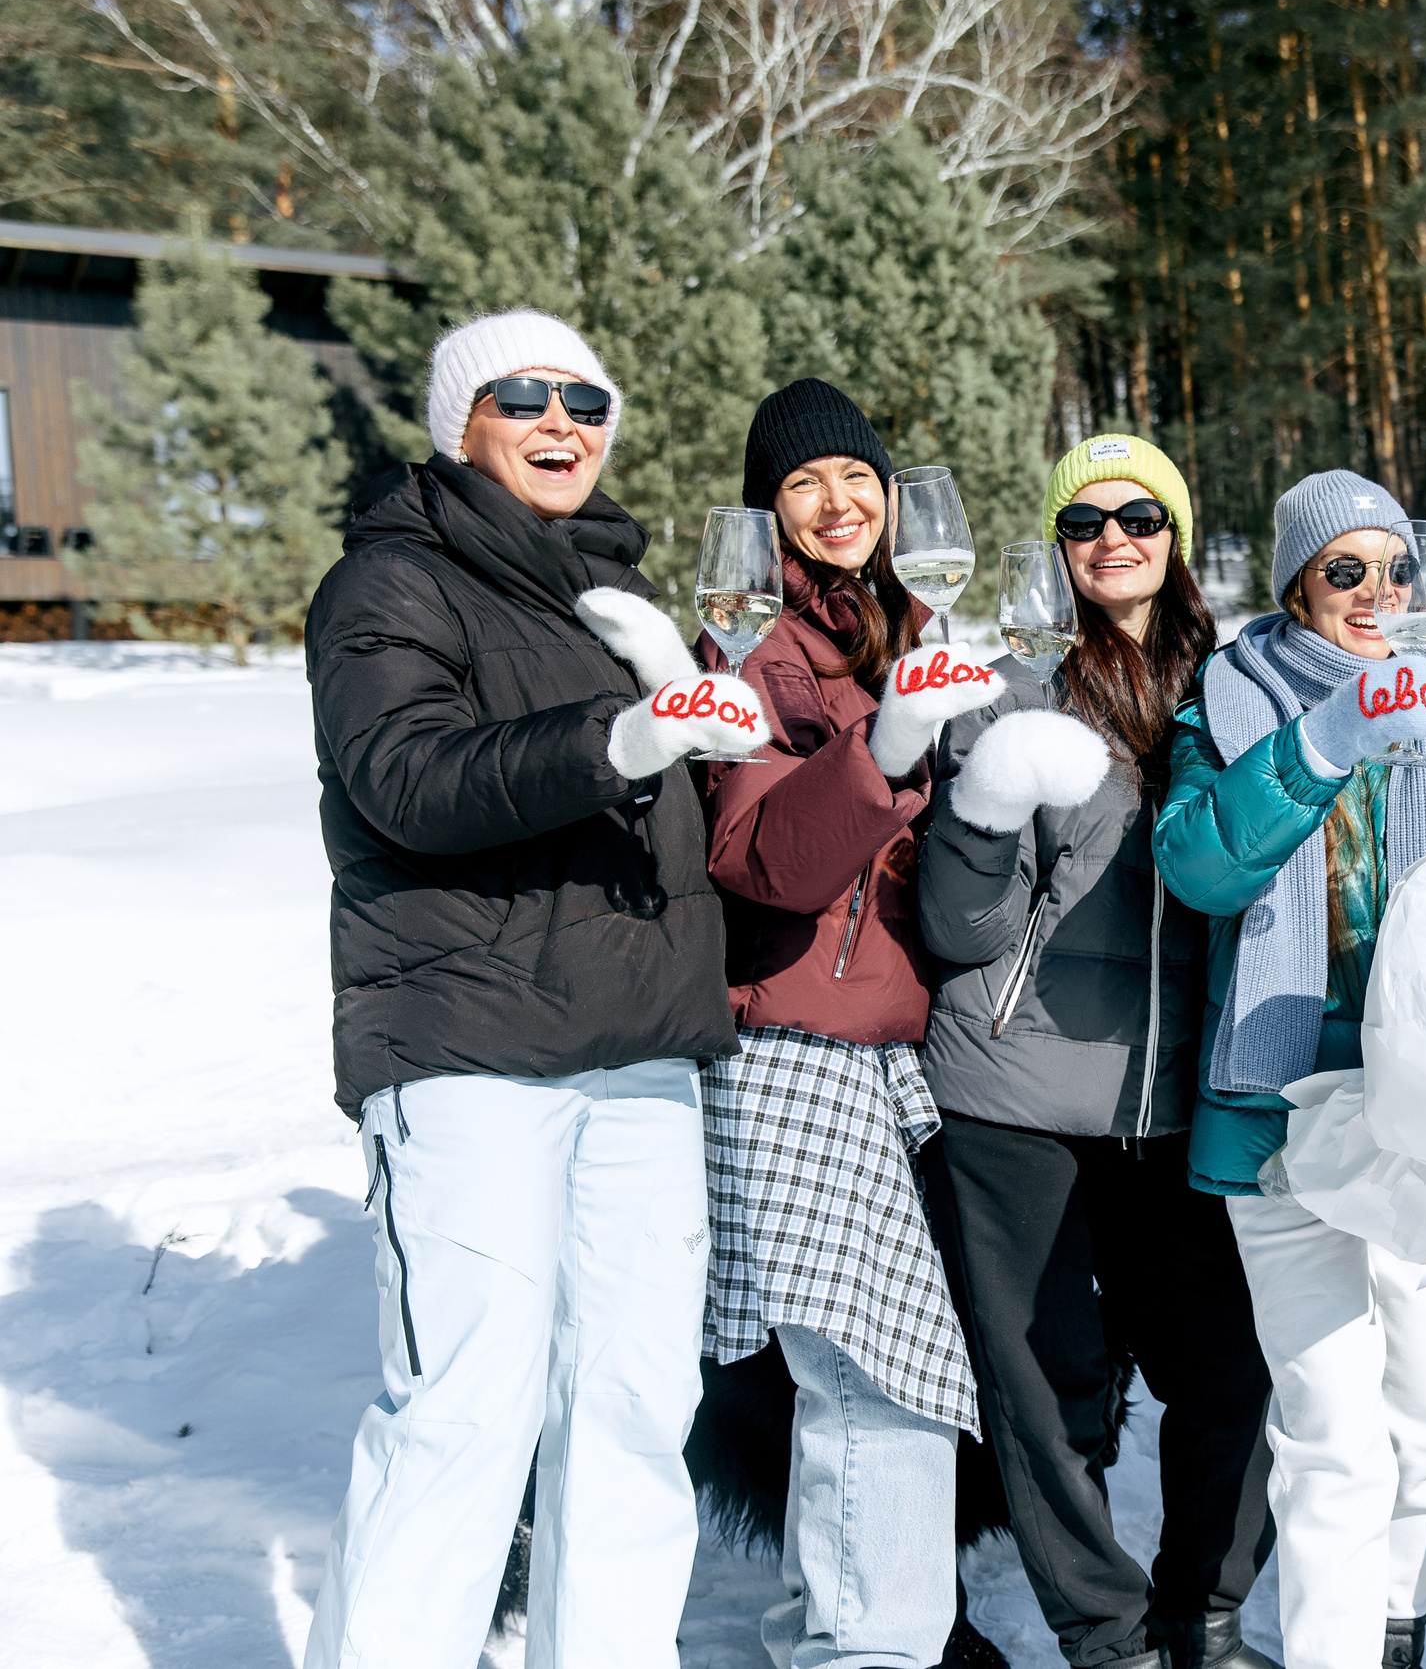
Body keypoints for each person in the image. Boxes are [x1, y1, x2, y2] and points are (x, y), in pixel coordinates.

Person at [303, 310, 757, 1668]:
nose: (565, 421)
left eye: (587, 399)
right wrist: (624, 733)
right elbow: (412, 780)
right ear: (462, 422)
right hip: (469, 1048)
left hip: (636, 1058)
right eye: (526, 396)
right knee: (462, 1408)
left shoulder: (615, 598)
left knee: (631, 1403)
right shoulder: (391, 581)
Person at [919, 434, 1278, 1669]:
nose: (1113, 537)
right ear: (1058, 549)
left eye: (1141, 515)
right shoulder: (1009, 686)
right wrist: (982, 794)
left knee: (1229, 1372)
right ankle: (1107, 1636)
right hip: (1018, 1080)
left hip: (1181, 1094)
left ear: (1176, 538)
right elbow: (960, 925)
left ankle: (1203, 1617)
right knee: (1050, 1390)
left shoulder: (1234, 687)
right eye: (1084, 522)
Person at [1153, 470, 1426, 1669]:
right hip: (1279, 1112)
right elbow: (1200, 867)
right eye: (1344, 572)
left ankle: (1392, 1630)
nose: (1376, 593)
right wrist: (1322, 744)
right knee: (1331, 1435)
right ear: (1298, 589)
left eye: (1394, 569)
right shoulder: (1236, 699)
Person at [695, 378, 1016, 1669]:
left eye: (858, 480)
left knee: (874, 1376)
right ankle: (867, 1647)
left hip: (899, 1061)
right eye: (804, 484)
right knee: (869, 1382)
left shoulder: (904, 636)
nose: (838, 503)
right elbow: (757, 852)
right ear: (769, 510)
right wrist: (883, 751)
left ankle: (863, 1629)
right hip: (792, 1054)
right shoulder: (755, 654)